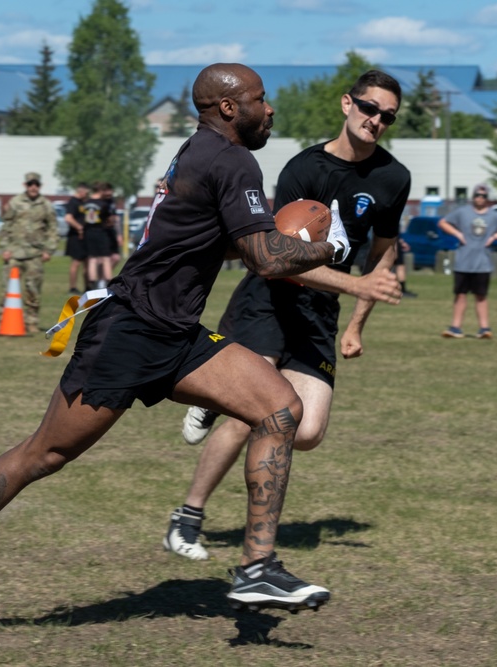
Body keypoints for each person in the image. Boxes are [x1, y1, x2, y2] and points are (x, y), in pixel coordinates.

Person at [0, 63, 360, 634]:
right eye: (262, 100)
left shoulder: (203, 152)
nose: (271, 111)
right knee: (44, 454)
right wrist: (324, 247)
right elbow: (265, 259)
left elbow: (230, 245)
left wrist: (290, 244)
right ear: (230, 108)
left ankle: (257, 566)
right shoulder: (232, 159)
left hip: (177, 332)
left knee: (280, 409)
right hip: (129, 331)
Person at [170, 69, 409, 562]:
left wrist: (358, 322)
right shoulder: (304, 168)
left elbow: (380, 257)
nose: (376, 121)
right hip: (271, 296)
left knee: (308, 431)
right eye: (369, 109)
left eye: (387, 116)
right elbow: (278, 257)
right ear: (347, 104)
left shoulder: (393, 179)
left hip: (321, 310)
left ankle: (221, 401)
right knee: (259, 408)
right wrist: (356, 284)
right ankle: (187, 518)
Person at [438, 184, 497, 339]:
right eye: (477, 195)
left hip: (483, 263)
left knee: (481, 296)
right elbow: (443, 223)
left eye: (483, 196)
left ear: (487, 199)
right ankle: (455, 328)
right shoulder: (462, 212)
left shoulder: (494, 216)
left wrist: (494, 237)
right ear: (473, 197)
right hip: (463, 261)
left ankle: (484, 329)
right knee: (460, 294)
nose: (480, 198)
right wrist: (457, 234)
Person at [0, 171, 59, 333]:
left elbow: (53, 229)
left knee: (33, 289)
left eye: (36, 184)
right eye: (30, 184)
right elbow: (6, 225)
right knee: (9, 288)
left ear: (40, 186)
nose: (33, 187)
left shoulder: (45, 205)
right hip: (14, 253)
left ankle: (31, 321)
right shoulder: (15, 202)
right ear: (25, 185)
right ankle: (4, 319)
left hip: (35, 254)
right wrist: (5, 247)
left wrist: (49, 250)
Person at [83, 181, 118, 289]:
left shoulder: (86, 202)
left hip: (89, 232)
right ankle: (108, 282)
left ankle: (92, 283)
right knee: (105, 258)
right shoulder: (104, 204)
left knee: (92, 259)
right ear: (101, 191)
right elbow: (110, 219)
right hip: (101, 232)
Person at [63, 182, 90, 295]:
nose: (87, 195)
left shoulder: (85, 202)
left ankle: (87, 287)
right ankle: (72, 287)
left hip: (86, 237)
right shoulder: (73, 202)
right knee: (76, 262)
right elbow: (68, 218)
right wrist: (79, 228)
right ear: (81, 191)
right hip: (76, 237)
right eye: (86, 192)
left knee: (87, 262)